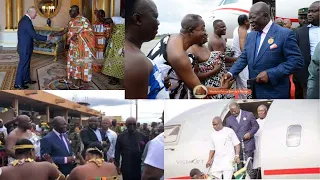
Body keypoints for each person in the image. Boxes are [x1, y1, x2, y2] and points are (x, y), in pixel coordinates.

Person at [224, 2, 304, 99]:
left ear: (265, 16)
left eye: (253, 18)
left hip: (275, 92)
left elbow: (297, 61)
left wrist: (271, 74)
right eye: (249, 18)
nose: (250, 21)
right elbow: (244, 57)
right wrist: (231, 73)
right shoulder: (251, 36)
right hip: (255, 92)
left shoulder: (285, 34)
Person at [147, 13, 234, 99]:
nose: (205, 33)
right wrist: (223, 89)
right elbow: (198, 90)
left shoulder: (171, 38)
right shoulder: (179, 56)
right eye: (202, 29)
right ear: (191, 31)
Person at [125, 0, 169, 99]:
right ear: (138, 19)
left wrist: (158, 84)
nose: (158, 22)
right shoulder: (136, 61)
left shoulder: (132, 53)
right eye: (155, 17)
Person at [51, 5, 96, 89]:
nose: (69, 13)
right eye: (69, 11)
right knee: (74, 64)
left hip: (82, 48)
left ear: (76, 11)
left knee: (81, 64)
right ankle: (75, 79)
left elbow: (90, 34)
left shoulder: (84, 21)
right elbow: (64, 31)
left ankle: (81, 82)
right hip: (73, 47)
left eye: (71, 11)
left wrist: (78, 36)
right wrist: (54, 34)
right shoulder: (71, 22)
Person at [15, 6, 52, 89]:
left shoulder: (25, 19)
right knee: (23, 65)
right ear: (31, 12)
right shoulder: (26, 21)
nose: (36, 15)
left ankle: (26, 80)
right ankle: (18, 84)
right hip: (24, 48)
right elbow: (33, 35)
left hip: (26, 46)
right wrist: (46, 38)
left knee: (27, 64)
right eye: (35, 14)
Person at [0, 139, 65, 180]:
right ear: (31, 152)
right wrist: (52, 164)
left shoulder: (2, 171)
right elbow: (63, 178)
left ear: (16, 152)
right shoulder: (46, 166)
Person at [294, 1, 320, 99]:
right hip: (308, 76)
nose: (309, 14)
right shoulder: (300, 32)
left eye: (314, 11)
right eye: (309, 11)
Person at [225, 102, 259, 174]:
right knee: (239, 168)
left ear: (238, 107)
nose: (234, 112)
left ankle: (249, 176)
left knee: (247, 165)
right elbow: (227, 133)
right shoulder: (228, 119)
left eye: (235, 110)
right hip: (237, 147)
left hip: (248, 144)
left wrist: (250, 133)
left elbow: (256, 126)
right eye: (232, 111)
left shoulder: (249, 114)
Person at [102, 9, 125, 85]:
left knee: (119, 60)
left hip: (122, 44)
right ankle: (112, 77)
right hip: (115, 43)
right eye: (122, 11)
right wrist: (100, 16)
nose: (123, 12)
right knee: (113, 59)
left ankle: (115, 78)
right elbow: (105, 21)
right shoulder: (116, 18)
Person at [232, 14, 251, 99]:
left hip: (237, 59)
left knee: (240, 84)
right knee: (244, 83)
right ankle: (245, 101)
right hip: (241, 60)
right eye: (248, 20)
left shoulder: (237, 28)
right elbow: (243, 48)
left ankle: (241, 100)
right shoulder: (243, 30)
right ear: (245, 22)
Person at [253, 104, 268, 179]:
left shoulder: (269, 121)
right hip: (257, 147)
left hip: (267, 147)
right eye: (259, 111)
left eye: (262, 110)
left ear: (266, 111)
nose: (260, 112)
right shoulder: (255, 122)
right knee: (257, 168)